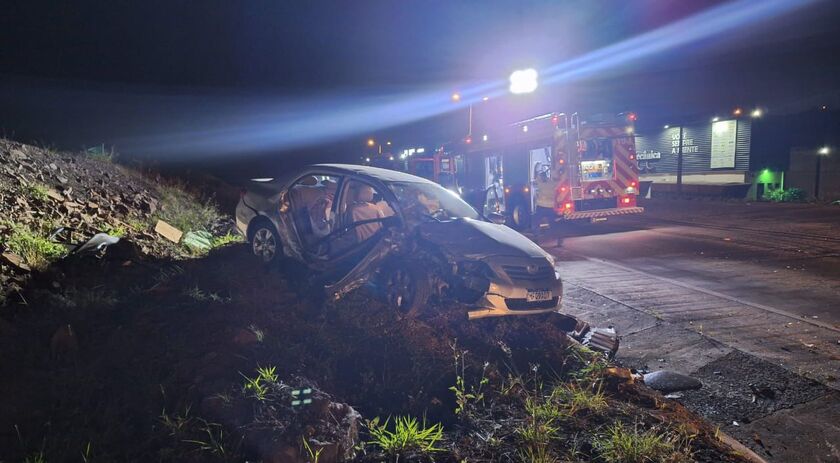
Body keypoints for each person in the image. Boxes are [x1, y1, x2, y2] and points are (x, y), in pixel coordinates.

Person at [533, 166, 559, 232]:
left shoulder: (540, 183)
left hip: (541, 206)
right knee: (551, 221)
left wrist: (538, 174)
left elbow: (535, 181)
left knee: (537, 220)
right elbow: (557, 184)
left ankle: (536, 232)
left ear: (541, 177)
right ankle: (553, 232)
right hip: (550, 206)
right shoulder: (551, 183)